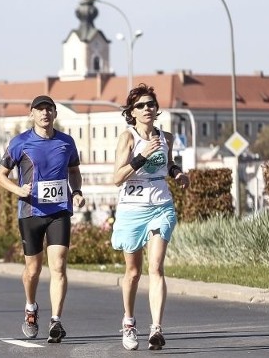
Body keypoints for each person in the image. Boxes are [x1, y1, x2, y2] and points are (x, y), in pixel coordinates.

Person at [0, 95, 85, 343]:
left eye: (49, 109)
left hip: (59, 211)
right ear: (31, 114)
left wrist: (76, 192)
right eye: (40, 109)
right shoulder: (20, 142)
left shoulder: (67, 142)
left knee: (58, 266)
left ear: (55, 114)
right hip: (30, 212)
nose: (45, 113)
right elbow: (0, 177)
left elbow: (74, 172)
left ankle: (56, 321)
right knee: (33, 270)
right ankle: (31, 307)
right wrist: (18, 190)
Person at [111, 83, 189, 351]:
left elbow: (169, 164)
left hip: (161, 206)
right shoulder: (128, 138)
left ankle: (156, 328)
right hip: (132, 210)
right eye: (141, 105)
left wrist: (178, 174)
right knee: (133, 272)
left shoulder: (165, 136)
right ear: (132, 112)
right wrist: (141, 157)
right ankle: (129, 321)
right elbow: (116, 178)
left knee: (156, 267)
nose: (147, 109)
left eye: (151, 104)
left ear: (157, 110)